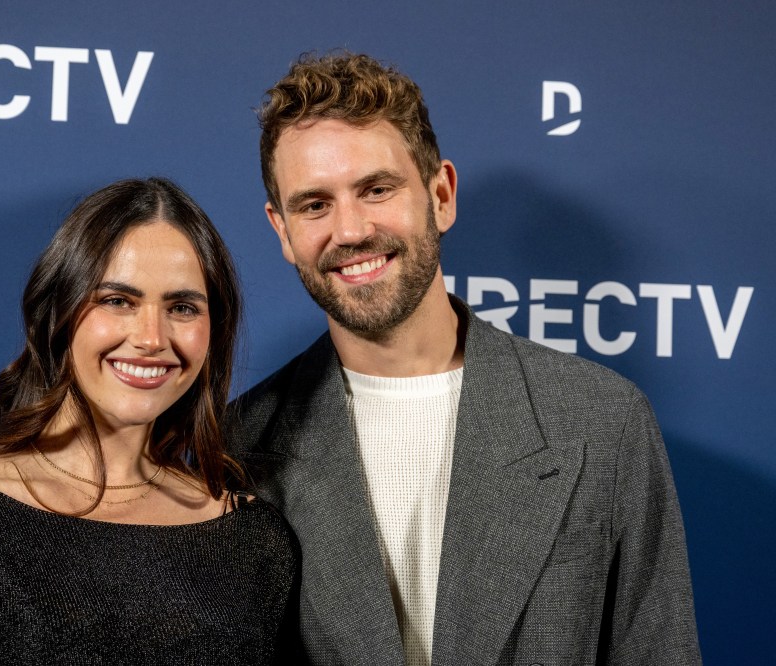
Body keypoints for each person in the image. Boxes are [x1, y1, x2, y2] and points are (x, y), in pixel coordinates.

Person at [226, 52, 701, 665]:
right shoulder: (235, 447)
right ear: (283, 231)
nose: (348, 230)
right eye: (314, 205)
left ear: (441, 194)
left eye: (376, 189)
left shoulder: (604, 424)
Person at [0, 178, 296, 665]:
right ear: (59, 314)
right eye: (117, 301)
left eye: (181, 307)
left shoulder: (254, 540)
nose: (152, 338)